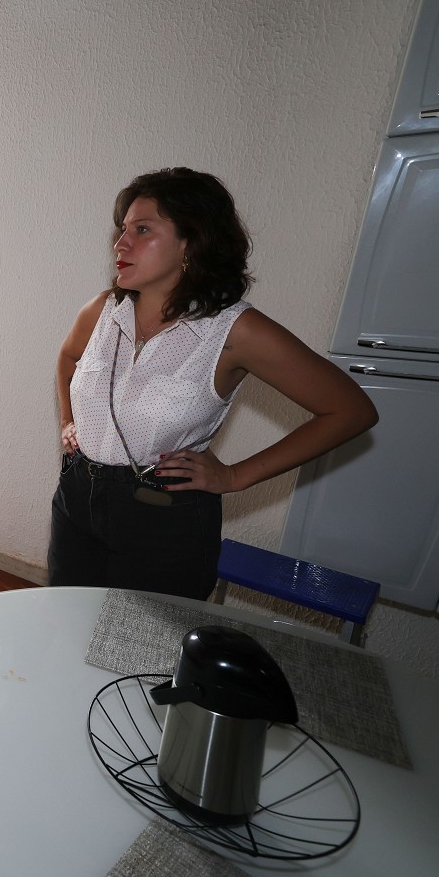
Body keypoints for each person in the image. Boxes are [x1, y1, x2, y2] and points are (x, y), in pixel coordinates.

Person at [50, 168, 378, 600]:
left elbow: (351, 411)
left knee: (144, 638)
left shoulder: (234, 331)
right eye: (122, 229)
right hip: (76, 497)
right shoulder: (103, 310)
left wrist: (235, 476)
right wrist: (69, 421)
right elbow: (68, 358)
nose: (120, 244)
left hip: (162, 519)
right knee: (63, 618)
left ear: (191, 242)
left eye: (142, 229)